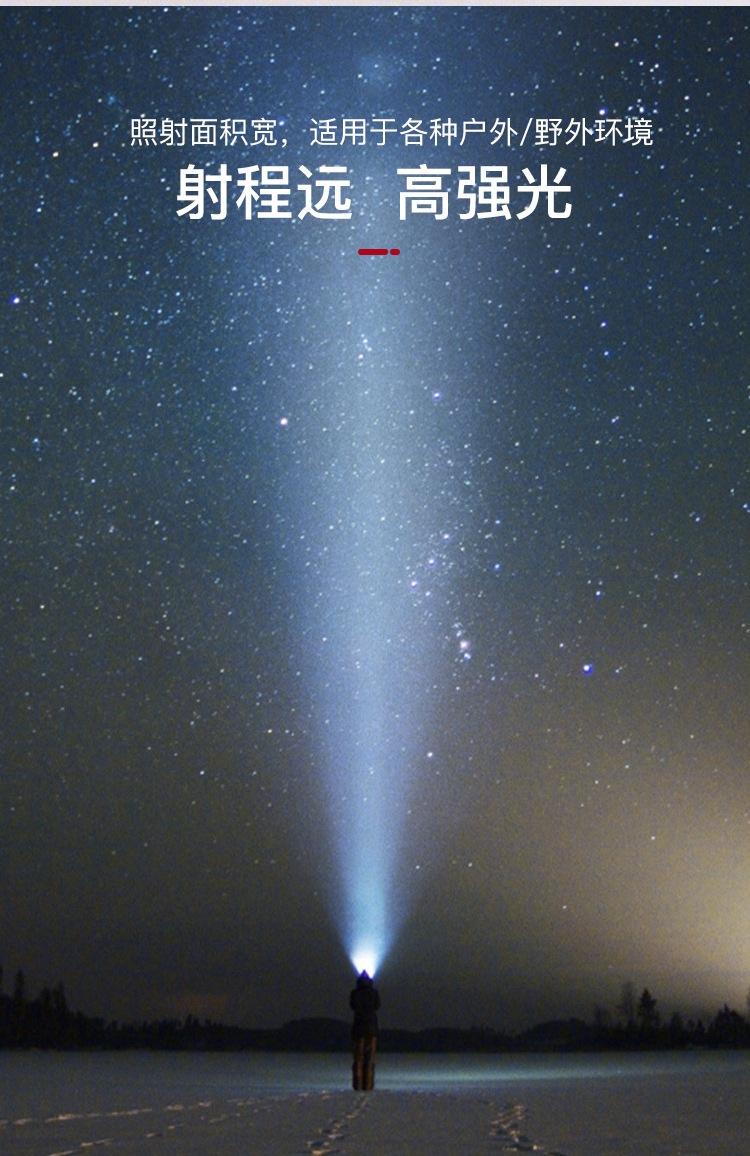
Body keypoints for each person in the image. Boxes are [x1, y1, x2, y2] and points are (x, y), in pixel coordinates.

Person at [350, 970, 380, 1091]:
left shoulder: (355, 993)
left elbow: (352, 1005)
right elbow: (377, 1006)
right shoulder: (374, 993)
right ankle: (368, 1087)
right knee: (370, 1060)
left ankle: (358, 1087)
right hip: (372, 1030)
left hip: (358, 1029)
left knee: (358, 1060)